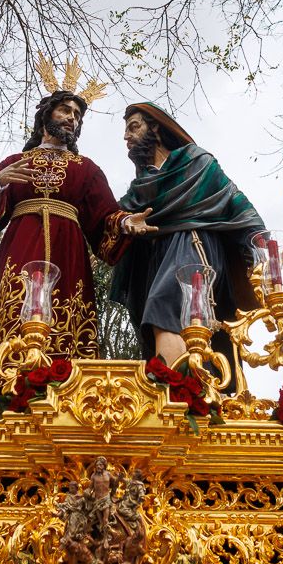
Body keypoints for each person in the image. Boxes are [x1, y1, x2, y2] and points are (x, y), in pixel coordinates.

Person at [0, 67, 153, 389]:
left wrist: (128, 222)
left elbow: (105, 216)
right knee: (11, 312)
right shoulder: (14, 162)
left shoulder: (86, 169)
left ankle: (66, 391)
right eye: (65, 110)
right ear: (47, 115)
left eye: (77, 114)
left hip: (68, 255)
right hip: (18, 251)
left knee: (66, 321)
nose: (72, 118)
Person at [110, 103, 266, 366]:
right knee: (161, 318)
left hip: (193, 245)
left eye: (134, 127)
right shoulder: (140, 188)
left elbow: (236, 204)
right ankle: (186, 390)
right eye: (126, 132)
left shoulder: (196, 162)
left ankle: (175, 393)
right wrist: (125, 224)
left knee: (166, 305)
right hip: (156, 259)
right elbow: (114, 220)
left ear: (156, 127)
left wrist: (262, 253)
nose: (127, 137)